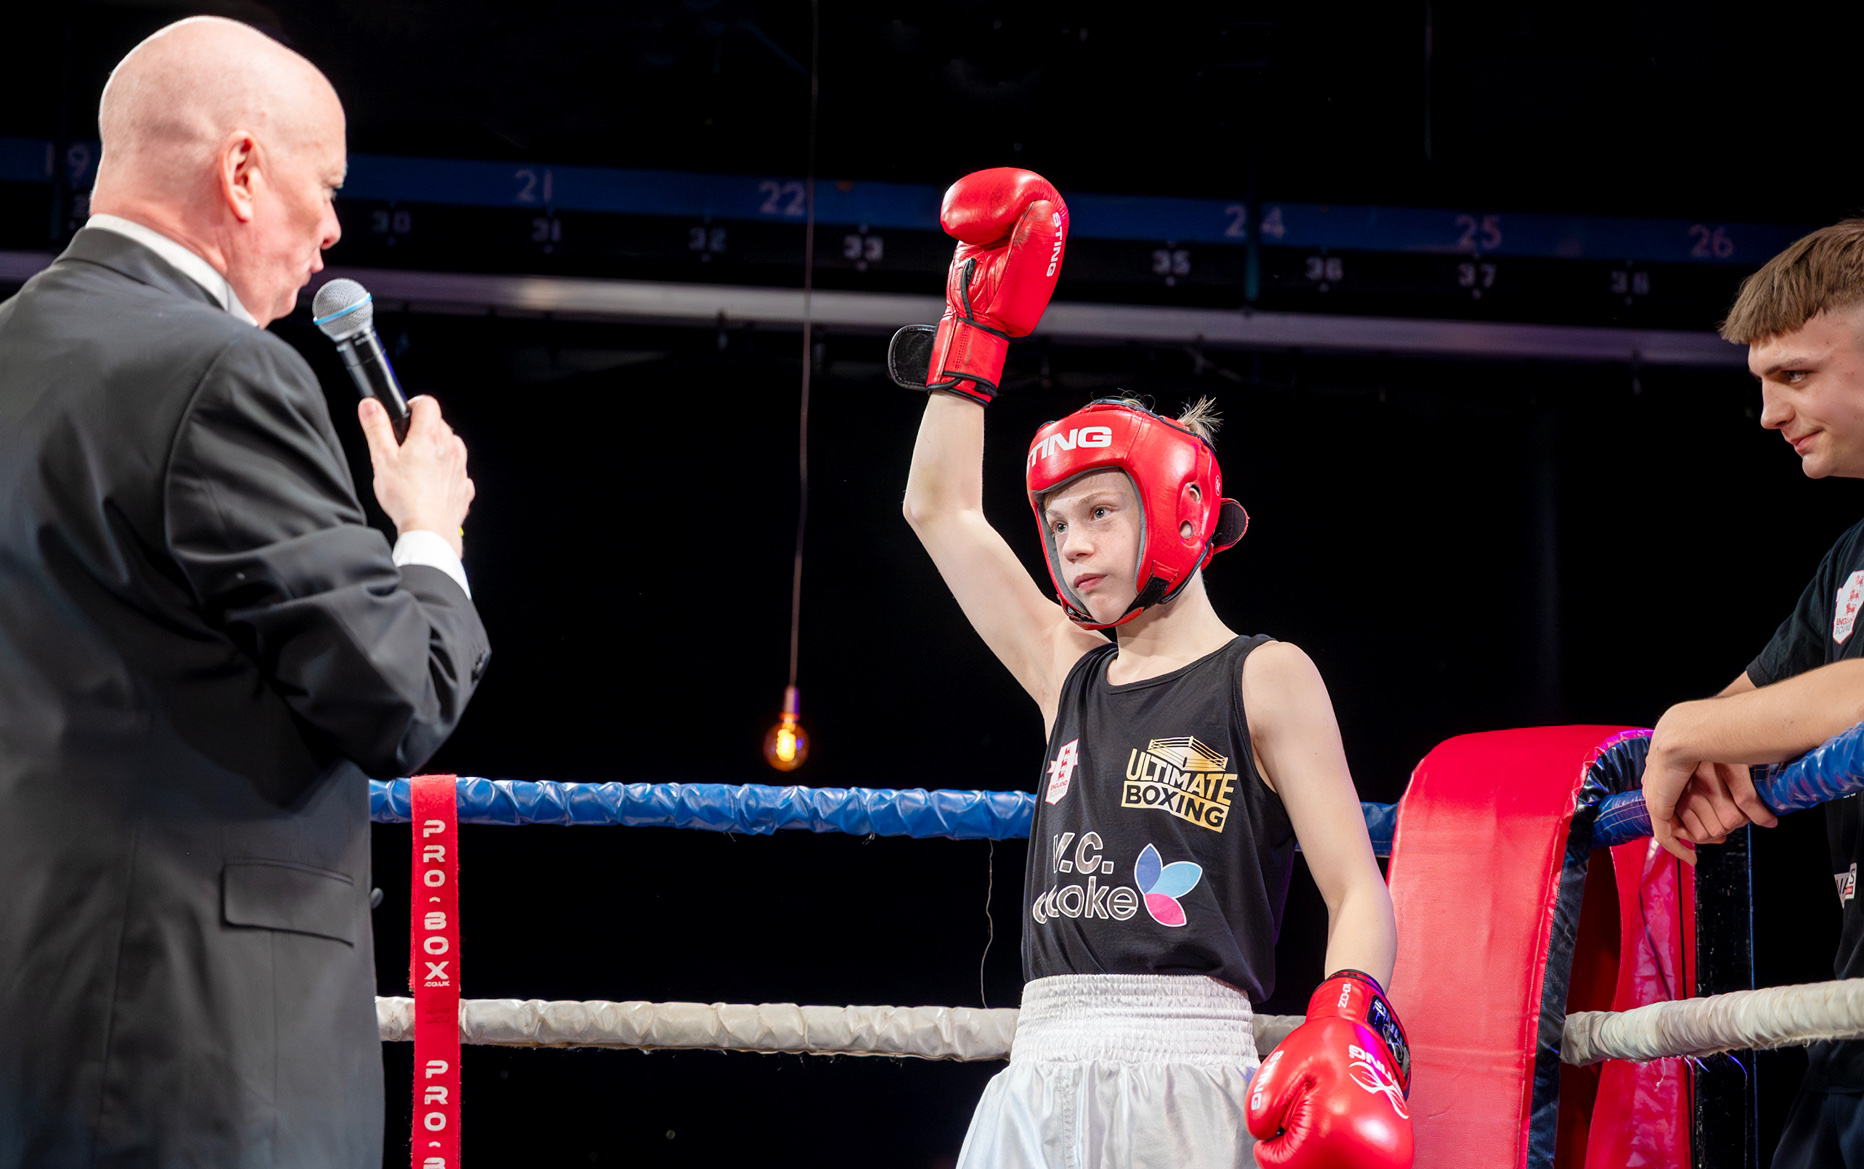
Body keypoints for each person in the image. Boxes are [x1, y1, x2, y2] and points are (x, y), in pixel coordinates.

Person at [0, 16, 488, 1168]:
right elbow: (396, 698)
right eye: (322, 188)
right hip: (197, 1061)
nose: (331, 230)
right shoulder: (223, 370)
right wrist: (427, 532)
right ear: (240, 169)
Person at [895, 167, 1410, 1169]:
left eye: (1099, 510)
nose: (1073, 542)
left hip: (1189, 1065)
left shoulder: (1264, 676)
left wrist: (1343, 1019)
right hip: (1038, 1060)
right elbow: (938, 511)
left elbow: (1356, 889)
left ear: (1177, 512)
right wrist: (971, 337)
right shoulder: (1065, 668)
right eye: (1054, 521)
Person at [1641, 219, 1864, 1167]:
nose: (1771, 414)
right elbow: (1748, 712)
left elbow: (1716, 724)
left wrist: (1695, 726)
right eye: (1763, 384)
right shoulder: (1852, 560)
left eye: (1798, 376)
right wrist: (1698, 735)